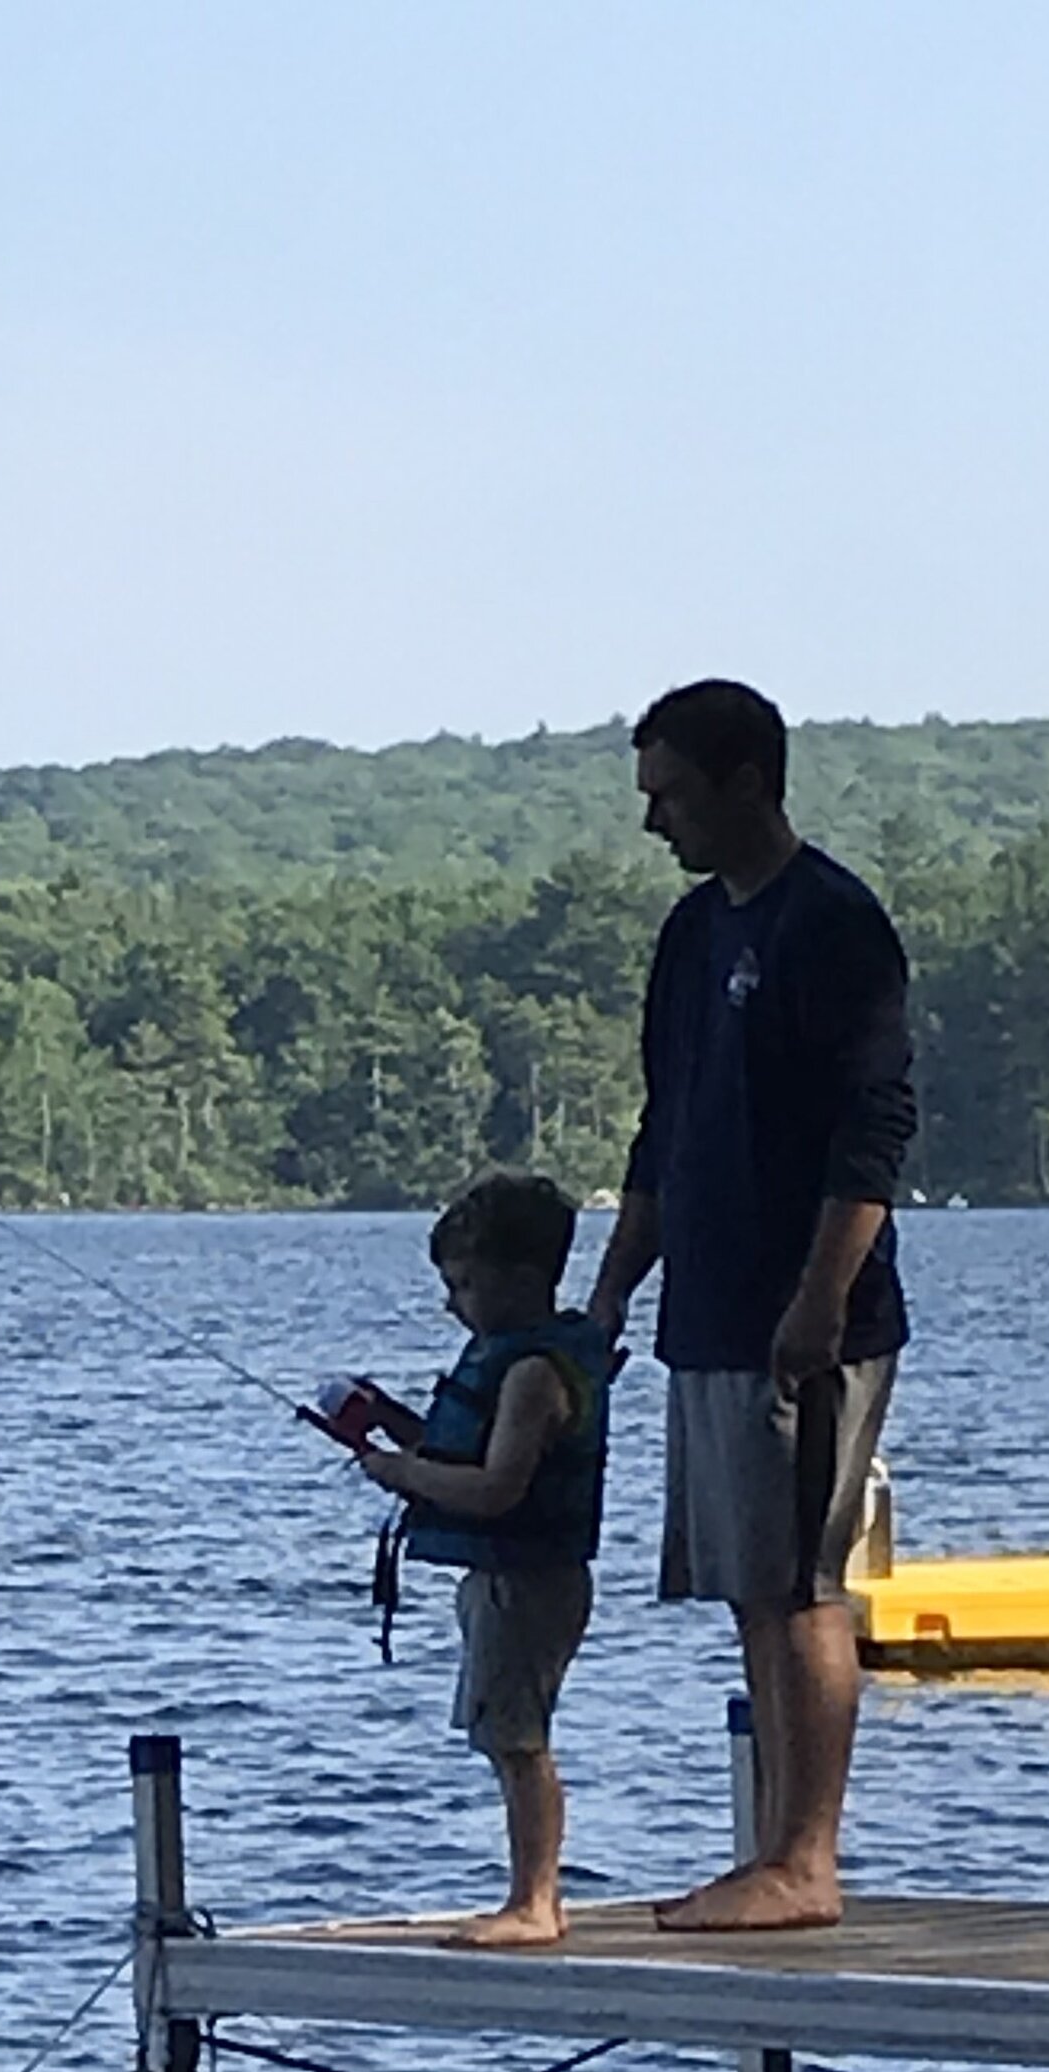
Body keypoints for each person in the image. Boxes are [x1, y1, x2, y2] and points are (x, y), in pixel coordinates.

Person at [584, 679, 916, 1933]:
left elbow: (872, 1131)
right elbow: (662, 1129)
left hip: (804, 1321)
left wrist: (820, 1300)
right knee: (748, 1584)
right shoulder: (690, 936)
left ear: (744, 783)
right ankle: (772, 1852)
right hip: (706, 1313)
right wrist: (611, 1293)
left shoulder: (831, 925)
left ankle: (805, 1859)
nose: (653, 822)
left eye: (669, 795)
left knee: (800, 1582)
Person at [345, 1170, 613, 1950]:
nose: (452, 1303)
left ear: (522, 1279)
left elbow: (496, 1488)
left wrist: (401, 1473)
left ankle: (536, 1900)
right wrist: (390, 1425)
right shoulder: (508, 1360)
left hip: (529, 1583)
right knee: (506, 1736)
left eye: (464, 1283)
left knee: (519, 1739)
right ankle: (530, 1893)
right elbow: (458, 1449)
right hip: (500, 1581)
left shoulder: (533, 1373)